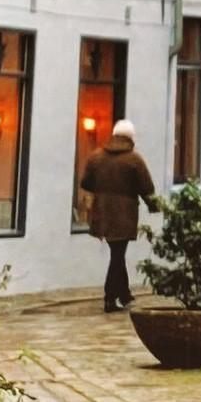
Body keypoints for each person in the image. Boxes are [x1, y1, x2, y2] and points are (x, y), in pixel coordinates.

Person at [78, 119, 159, 311]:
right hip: (124, 214)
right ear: (131, 138)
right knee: (117, 255)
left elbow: (86, 183)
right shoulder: (134, 160)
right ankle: (109, 297)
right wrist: (154, 206)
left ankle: (124, 294)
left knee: (117, 253)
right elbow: (146, 188)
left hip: (102, 212)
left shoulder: (96, 157)